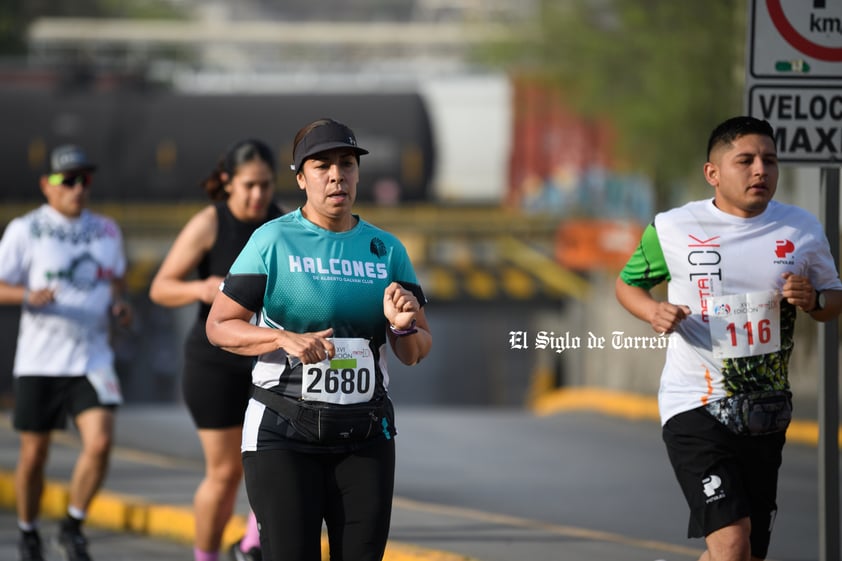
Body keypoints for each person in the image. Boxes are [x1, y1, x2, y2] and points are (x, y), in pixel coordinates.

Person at [615, 116, 842, 561]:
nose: (761, 170)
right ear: (713, 173)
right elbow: (627, 284)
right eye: (746, 160)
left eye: (770, 161)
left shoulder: (802, 228)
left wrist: (813, 298)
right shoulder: (673, 227)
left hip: (765, 409)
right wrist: (653, 311)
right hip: (694, 405)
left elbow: (833, 300)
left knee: (746, 554)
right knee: (732, 544)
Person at [205, 117, 433, 561]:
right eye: (321, 166)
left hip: (365, 436)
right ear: (300, 177)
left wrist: (403, 327)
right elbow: (219, 326)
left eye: (346, 164)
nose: (336, 176)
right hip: (283, 434)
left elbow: (416, 349)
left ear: (358, 173)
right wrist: (283, 339)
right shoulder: (272, 240)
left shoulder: (386, 251)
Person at [149, 139, 283, 561]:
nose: (258, 195)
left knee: (276, 467)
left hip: (267, 361)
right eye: (249, 186)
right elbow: (160, 287)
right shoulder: (210, 223)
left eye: (266, 185)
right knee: (225, 473)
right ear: (227, 182)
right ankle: (205, 556)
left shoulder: (281, 225)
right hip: (213, 365)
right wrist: (201, 287)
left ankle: (250, 545)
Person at [0, 144, 132, 561]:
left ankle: (72, 525)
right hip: (40, 359)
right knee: (34, 453)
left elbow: (116, 284)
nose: (77, 188)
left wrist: (120, 307)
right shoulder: (27, 229)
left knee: (100, 441)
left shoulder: (107, 230)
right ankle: (27, 530)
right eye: (67, 180)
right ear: (47, 185)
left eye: (84, 180)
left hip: (91, 356)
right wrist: (27, 294)